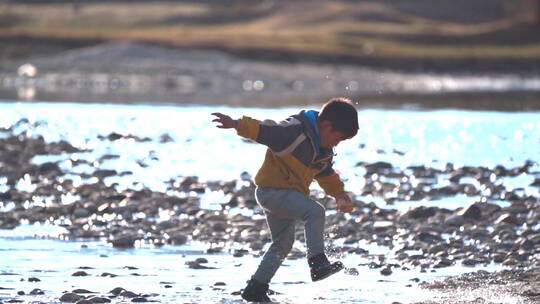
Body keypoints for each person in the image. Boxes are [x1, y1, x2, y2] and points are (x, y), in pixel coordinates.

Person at [211, 97, 358, 302]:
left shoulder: (323, 150)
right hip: (272, 192)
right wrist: (236, 123)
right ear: (326, 126)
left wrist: (339, 193)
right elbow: (265, 130)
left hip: (287, 196)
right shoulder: (294, 132)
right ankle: (317, 262)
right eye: (338, 138)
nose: (337, 143)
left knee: (282, 244)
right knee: (315, 211)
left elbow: (325, 173)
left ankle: (256, 288)